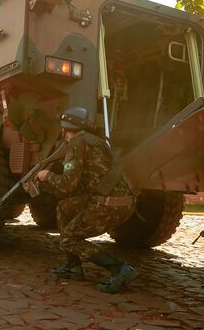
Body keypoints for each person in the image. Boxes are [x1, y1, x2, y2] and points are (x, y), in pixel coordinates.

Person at [34, 107, 137, 293]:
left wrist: (46, 175)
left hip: (106, 205)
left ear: (66, 129)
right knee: (63, 208)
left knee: (69, 239)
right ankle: (73, 267)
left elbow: (66, 185)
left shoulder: (76, 144)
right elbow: (82, 184)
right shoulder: (99, 142)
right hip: (124, 203)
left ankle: (119, 269)